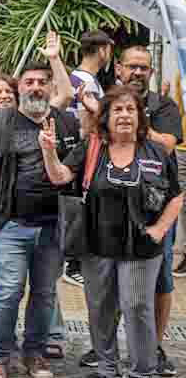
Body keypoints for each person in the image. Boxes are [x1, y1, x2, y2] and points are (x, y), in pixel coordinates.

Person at [42, 86, 183, 378]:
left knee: (137, 307)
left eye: (131, 109)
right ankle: (107, 369)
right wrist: (49, 151)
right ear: (105, 117)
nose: (124, 115)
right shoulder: (93, 147)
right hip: (97, 245)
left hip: (142, 247)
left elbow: (175, 196)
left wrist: (160, 229)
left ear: (140, 117)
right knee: (100, 308)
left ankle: (143, 370)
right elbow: (59, 176)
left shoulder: (156, 151)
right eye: (117, 110)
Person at [0, 50, 81, 378]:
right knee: (8, 292)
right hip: (11, 225)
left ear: (50, 87)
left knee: (45, 295)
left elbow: (72, 171)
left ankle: (34, 354)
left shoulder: (65, 122)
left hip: (53, 227)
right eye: (29, 82)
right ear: (19, 87)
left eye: (42, 82)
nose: (35, 87)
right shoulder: (1, 120)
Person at [118, 46, 183, 376]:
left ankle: (154, 346)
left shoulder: (164, 105)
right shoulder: (108, 103)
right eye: (132, 66)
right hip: (113, 205)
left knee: (160, 280)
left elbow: (167, 145)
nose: (137, 73)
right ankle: (104, 346)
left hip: (157, 208)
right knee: (109, 279)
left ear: (151, 73)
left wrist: (136, 122)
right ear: (120, 69)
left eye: (143, 68)